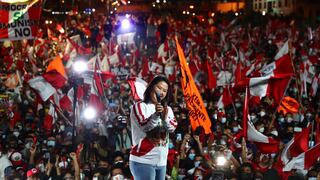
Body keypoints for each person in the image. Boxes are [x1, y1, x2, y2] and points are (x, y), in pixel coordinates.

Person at [129, 76, 177, 180]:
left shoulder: (167, 109)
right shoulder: (139, 106)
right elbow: (145, 126)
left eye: (165, 90)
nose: (161, 92)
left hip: (161, 162)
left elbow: (172, 128)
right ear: (151, 87)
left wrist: (165, 119)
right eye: (159, 88)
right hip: (142, 159)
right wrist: (156, 115)